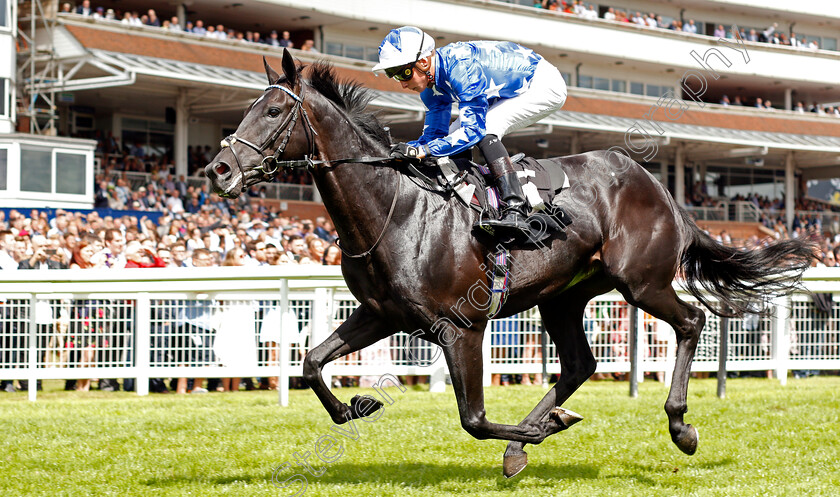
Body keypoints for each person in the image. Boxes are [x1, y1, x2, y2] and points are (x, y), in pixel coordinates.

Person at [373, 26, 567, 237]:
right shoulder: (430, 86)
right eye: (394, 75)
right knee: (451, 136)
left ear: (423, 62)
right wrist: (407, 149)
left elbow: (473, 132)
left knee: (486, 129)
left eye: (404, 72)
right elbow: (434, 137)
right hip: (507, 90)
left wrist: (423, 150)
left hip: (541, 83)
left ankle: (515, 209)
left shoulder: (460, 68)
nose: (402, 83)